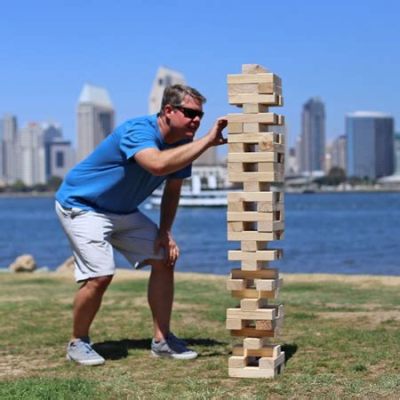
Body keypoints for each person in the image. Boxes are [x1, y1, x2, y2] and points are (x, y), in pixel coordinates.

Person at [55, 84, 227, 366]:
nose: (197, 120)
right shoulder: (138, 130)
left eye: (200, 115)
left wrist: (164, 232)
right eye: (190, 113)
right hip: (82, 205)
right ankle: (78, 342)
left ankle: (162, 341)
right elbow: (157, 165)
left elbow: (173, 190)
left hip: (122, 210)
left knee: (164, 258)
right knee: (100, 275)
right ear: (168, 111)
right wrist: (208, 141)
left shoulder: (183, 143)